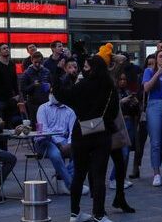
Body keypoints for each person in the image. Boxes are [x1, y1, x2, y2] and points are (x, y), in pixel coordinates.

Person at [53, 55, 119, 222]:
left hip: (81, 133)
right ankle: (99, 213)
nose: (83, 69)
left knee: (79, 174)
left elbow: (61, 95)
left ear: (92, 69)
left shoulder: (82, 85)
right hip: (101, 133)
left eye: (86, 67)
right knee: (99, 175)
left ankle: (74, 213)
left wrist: (58, 72)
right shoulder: (110, 87)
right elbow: (113, 112)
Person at [34, 76, 81, 195]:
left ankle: (61, 177)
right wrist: (59, 144)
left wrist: (69, 144)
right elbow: (44, 130)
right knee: (55, 155)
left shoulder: (70, 111)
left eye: (54, 92)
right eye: (51, 92)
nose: (52, 95)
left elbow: (73, 131)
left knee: (81, 153)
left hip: (64, 141)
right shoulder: (43, 108)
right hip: (45, 141)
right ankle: (71, 185)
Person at [142, 49, 162, 187]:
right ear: (156, 59)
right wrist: (158, 73)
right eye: (160, 56)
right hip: (154, 105)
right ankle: (156, 173)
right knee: (155, 142)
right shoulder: (149, 71)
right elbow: (146, 88)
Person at [109, 72, 136, 213]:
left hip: (118, 126)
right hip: (106, 128)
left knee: (122, 158)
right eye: (120, 79)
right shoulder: (107, 86)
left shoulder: (123, 90)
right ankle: (98, 208)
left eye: (125, 79)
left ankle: (119, 197)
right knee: (98, 167)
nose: (123, 81)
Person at [130, 53, 155, 179]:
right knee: (139, 141)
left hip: (156, 111)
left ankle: (157, 170)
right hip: (143, 112)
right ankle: (136, 167)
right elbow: (138, 93)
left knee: (157, 142)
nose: (151, 67)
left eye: (153, 64)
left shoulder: (160, 77)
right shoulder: (141, 77)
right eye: (149, 64)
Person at [0, 43, 20, 126]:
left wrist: (17, 94)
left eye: (7, 48)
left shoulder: (12, 64)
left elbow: (14, 80)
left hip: (10, 98)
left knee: (10, 122)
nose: (6, 49)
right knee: (0, 122)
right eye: (4, 48)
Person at [21, 51, 52, 122]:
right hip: (33, 104)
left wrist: (49, 86)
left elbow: (52, 85)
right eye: (35, 62)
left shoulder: (47, 72)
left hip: (45, 102)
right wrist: (33, 85)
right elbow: (23, 89)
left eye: (39, 62)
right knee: (35, 123)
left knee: (46, 122)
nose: (37, 64)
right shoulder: (27, 73)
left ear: (42, 61)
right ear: (32, 61)